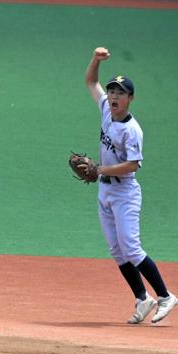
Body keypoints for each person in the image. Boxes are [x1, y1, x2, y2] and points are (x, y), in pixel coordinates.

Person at [85, 47, 177, 324]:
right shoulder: (105, 109)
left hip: (125, 192)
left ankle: (165, 296)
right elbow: (91, 82)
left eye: (120, 93)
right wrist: (95, 60)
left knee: (131, 248)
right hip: (105, 190)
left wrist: (99, 168)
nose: (113, 96)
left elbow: (133, 165)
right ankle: (142, 298)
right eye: (112, 91)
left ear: (130, 99)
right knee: (116, 250)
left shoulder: (132, 130)